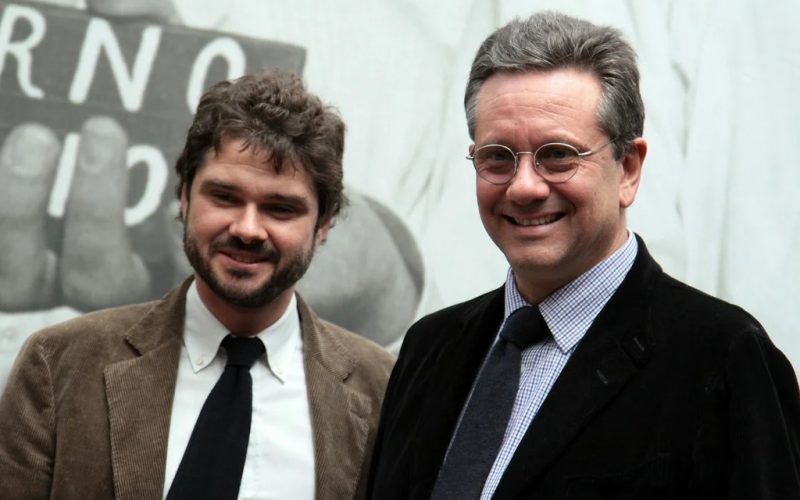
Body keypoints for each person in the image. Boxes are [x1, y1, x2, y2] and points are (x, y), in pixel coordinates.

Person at [367, 11, 800, 500]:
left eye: (558, 155)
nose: (524, 187)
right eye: (497, 157)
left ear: (628, 169)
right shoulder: (430, 347)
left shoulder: (723, 357)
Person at [0, 71, 395, 499]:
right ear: (185, 198)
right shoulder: (59, 363)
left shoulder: (384, 389)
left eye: (280, 209)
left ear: (323, 225)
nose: (247, 229)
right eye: (224, 197)